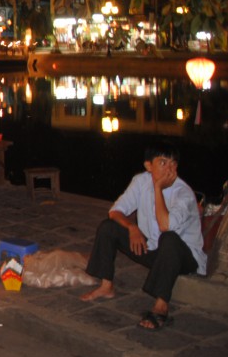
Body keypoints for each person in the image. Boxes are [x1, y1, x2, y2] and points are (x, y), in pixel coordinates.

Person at [80, 141, 206, 331]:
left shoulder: (183, 193)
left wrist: (158, 189)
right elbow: (115, 211)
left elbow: (166, 226)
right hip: (154, 248)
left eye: (173, 164)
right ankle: (106, 286)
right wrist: (133, 228)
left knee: (169, 238)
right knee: (108, 227)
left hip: (182, 257)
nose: (169, 169)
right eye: (163, 163)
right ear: (149, 166)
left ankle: (161, 305)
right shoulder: (141, 181)